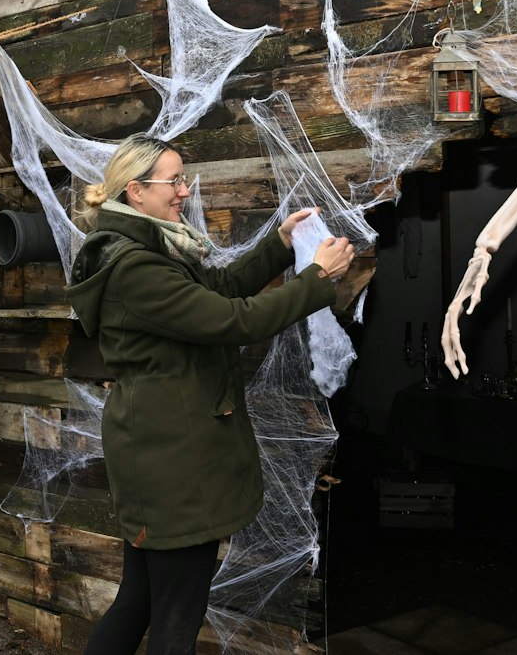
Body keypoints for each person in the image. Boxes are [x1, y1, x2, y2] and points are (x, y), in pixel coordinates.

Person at [64, 134, 355, 655]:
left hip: (159, 449)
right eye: (173, 181)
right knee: (176, 616)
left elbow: (217, 290)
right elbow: (232, 320)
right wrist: (316, 277)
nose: (184, 191)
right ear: (136, 191)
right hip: (173, 460)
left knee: (140, 599)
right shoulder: (135, 267)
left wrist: (279, 245)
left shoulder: (152, 247)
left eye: (183, 179)